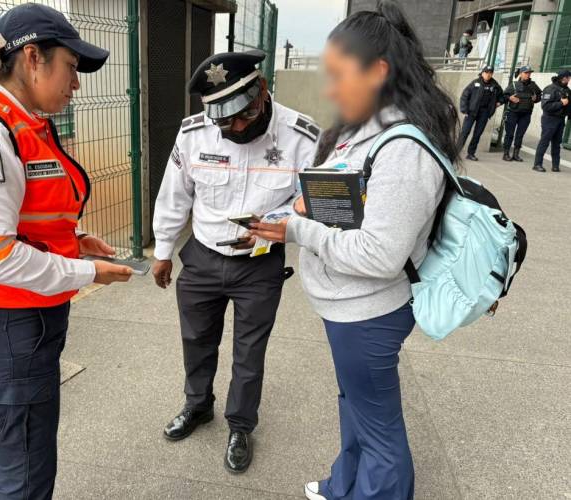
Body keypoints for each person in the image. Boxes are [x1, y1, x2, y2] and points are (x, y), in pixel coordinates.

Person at [249, 1, 454, 498]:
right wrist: (308, 205)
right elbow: (350, 201)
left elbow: (381, 254)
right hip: (347, 305)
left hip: (369, 312)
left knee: (380, 430)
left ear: (378, 71)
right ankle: (345, 485)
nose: (330, 88)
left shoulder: (403, 148)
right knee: (357, 406)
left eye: (339, 75)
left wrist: (299, 230)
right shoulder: (363, 131)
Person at [0, 4, 132, 498]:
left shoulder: (22, 122)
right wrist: (88, 273)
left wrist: (74, 243)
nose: (77, 83)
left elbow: (21, 219)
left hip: (16, 325)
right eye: (71, 66)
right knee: (25, 474)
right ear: (33, 58)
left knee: (10, 460)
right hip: (3, 330)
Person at [151, 50, 319, 473]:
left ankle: (241, 426)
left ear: (262, 90)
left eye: (245, 115)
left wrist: (280, 223)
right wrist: (163, 251)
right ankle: (198, 405)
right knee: (196, 340)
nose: (237, 128)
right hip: (203, 257)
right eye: (225, 122)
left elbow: (313, 200)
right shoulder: (195, 134)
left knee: (249, 353)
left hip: (259, 265)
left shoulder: (301, 136)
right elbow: (174, 195)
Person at [458, 65, 504, 161]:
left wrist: (499, 102)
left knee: (477, 134)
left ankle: (471, 153)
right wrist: (464, 109)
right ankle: (456, 152)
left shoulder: (495, 85)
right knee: (465, 132)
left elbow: (502, 96)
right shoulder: (475, 83)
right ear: (482, 73)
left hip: (484, 113)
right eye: (486, 72)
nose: (488, 75)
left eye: (490, 73)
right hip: (471, 112)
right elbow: (465, 96)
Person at [532, 69, 571, 172]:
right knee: (544, 142)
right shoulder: (550, 89)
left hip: (560, 120)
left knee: (557, 143)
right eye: (568, 77)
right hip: (549, 119)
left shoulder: (567, 90)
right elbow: (546, 106)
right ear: (563, 78)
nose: (569, 79)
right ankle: (537, 164)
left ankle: (555, 165)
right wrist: (561, 103)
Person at [502, 66, 542, 162]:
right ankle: (506, 153)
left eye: (529, 73)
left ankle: (516, 154)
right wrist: (510, 98)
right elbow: (504, 95)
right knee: (509, 134)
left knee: (520, 135)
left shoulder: (533, 85)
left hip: (526, 114)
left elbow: (540, 96)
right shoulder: (514, 85)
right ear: (520, 74)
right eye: (526, 73)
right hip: (513, 113)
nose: (528, 74)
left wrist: (536, 98)